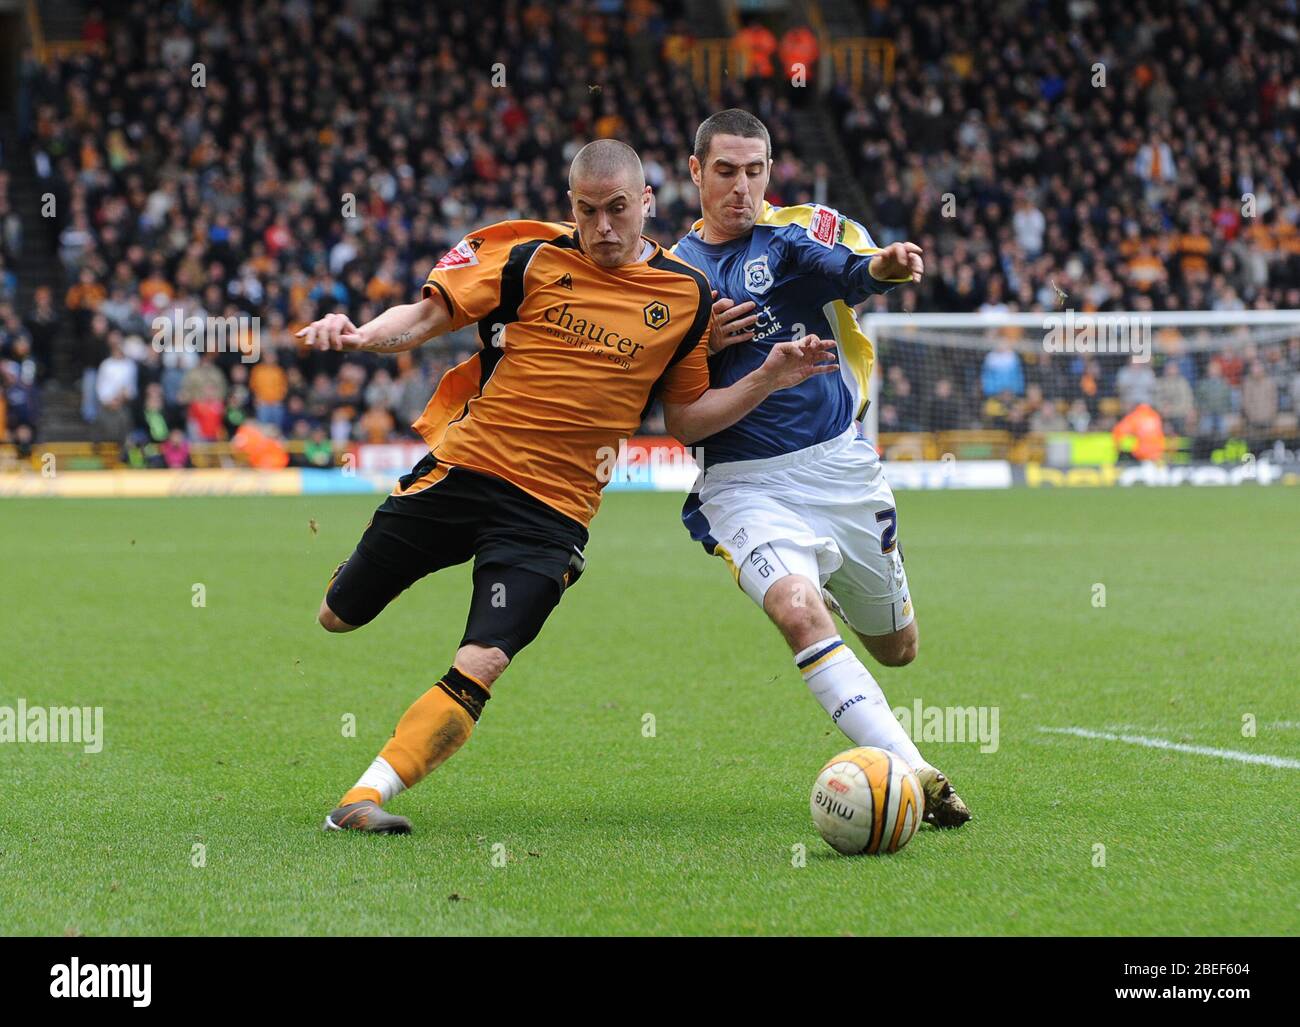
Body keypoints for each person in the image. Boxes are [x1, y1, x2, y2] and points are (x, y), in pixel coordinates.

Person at [297, 140, 836, 834]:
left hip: (551, 515)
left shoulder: (686, 295)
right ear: (570, 207)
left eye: (619, 210)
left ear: (647, 203)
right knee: (339, 613)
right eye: (589, 212)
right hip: (465, 471)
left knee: (484, 657)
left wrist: (765, 377)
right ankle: (358, 574)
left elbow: (687, 420)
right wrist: (359, 335)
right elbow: (427, 316)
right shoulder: (526, 256)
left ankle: (365, 796)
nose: (605, 228)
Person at [671, 109, 969, 828]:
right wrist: (693, 342)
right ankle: (916, 774)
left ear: (770, 172)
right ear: (694, 172)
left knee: (899, 649)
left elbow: (849, 272)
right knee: (797, 610)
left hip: (840, 472)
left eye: (754, 171)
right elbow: (676, 417)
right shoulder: (669, 278)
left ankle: (827, 578)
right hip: (743, 485)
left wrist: (883, 268)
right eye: (724, 171)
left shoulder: (794, 238)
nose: (740, 187)